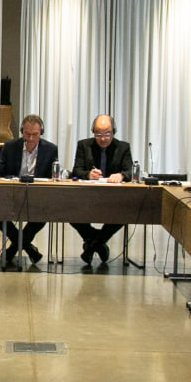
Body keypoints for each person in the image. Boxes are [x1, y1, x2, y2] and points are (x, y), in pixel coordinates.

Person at [0, 113, 57, 266]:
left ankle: (12, 250)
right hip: (12, 195)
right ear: (22, 132)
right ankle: (28, 248)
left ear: (41, 132)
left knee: (43, 215)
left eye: (35, 134)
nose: (31, 138)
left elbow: (53, 176)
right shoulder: (10, 147)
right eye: (27, 134)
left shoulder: (50, 149)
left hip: (37, 197)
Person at [71, 114, 133, 267]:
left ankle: (92, 246)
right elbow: (76, 171)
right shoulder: (84, 145)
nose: (103, 138)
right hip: (87, 197)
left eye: (107, 134)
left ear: (113, 132)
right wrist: (88, 174)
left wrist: (121, 175)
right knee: (69, 212)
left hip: (113, 198)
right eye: (98, 134)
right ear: (93, 132)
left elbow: (130, 171)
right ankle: (99, 243)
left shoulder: (123, 147)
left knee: (123, 214)